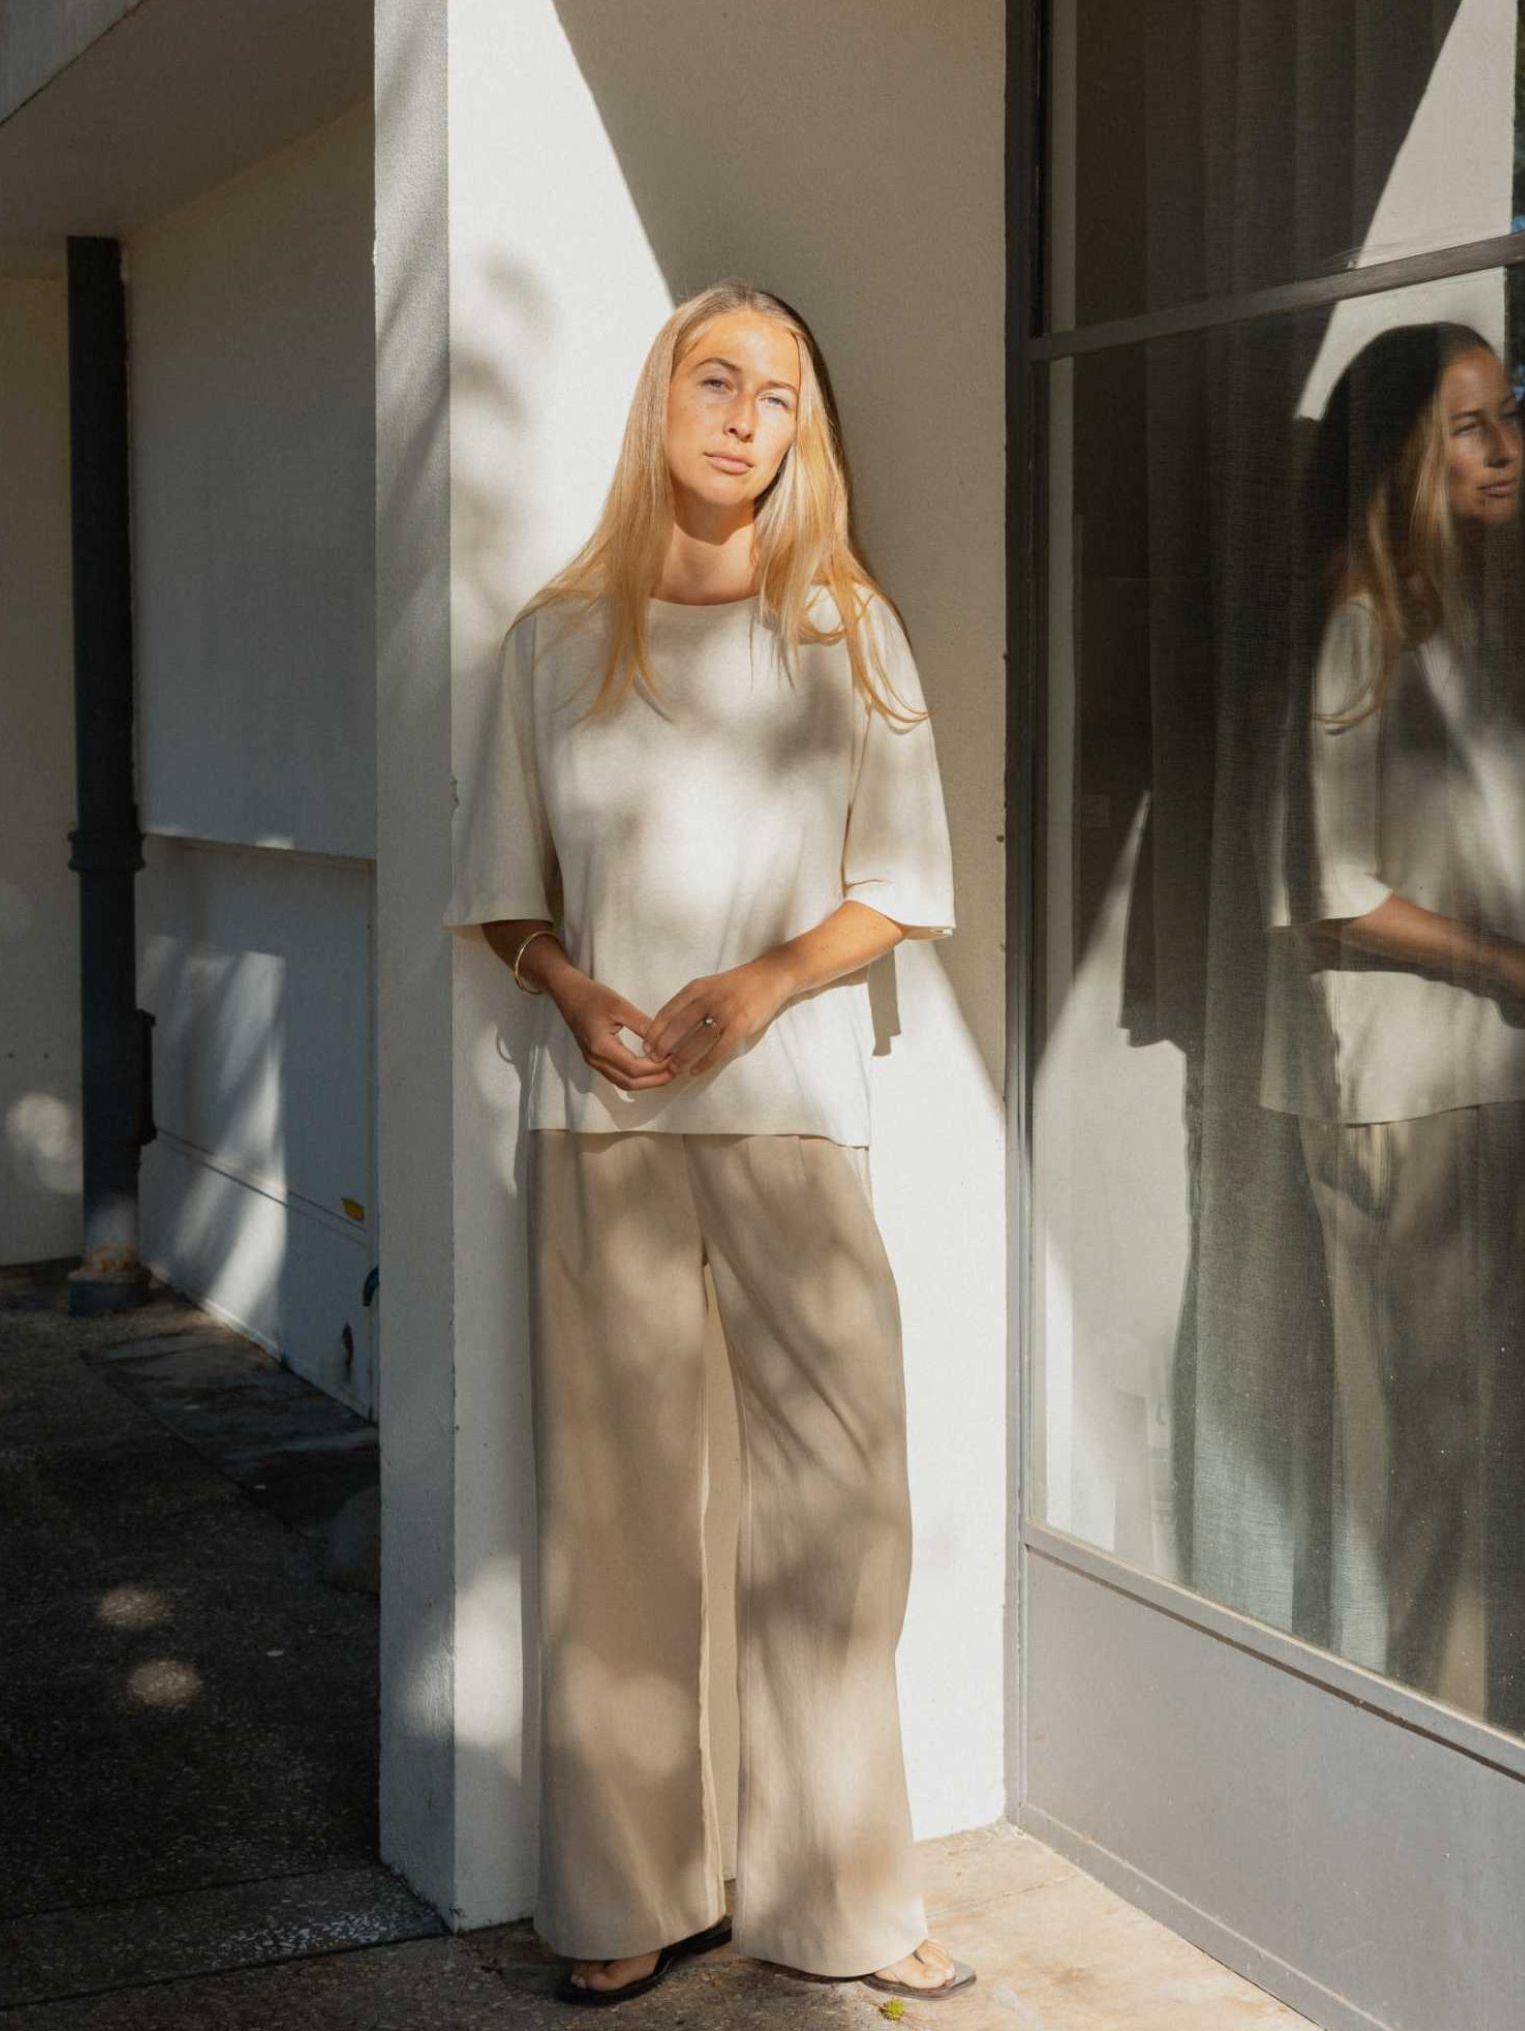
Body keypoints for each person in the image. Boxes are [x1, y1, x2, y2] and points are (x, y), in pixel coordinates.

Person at [442, 280, 976, 2006]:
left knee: (839, 1510)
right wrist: (574, 991)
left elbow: (901, 884)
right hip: (598, 1125)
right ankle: (622, 1897)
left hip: (794, 1124)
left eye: (784, 397)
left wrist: (757, 985)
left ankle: (837, 1904)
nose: (750, 416)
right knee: (617, 1524)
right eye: (718, 378)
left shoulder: (848, 630)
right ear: (659, 399)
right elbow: (499, 898)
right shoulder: (552, 642)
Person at [1258, 319, 1525, 1743]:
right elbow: (1324, 892)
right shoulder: (1364, 627)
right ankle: (1438, 1773)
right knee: (1447, 1473)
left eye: (1508, 415)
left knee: (1513, 1467)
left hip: (1500, 1092)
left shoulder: (1476, 636)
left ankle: (1508, 1760)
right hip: (1412, 1100)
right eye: (1467, 424)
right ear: (1404, 452)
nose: (1507, 444)